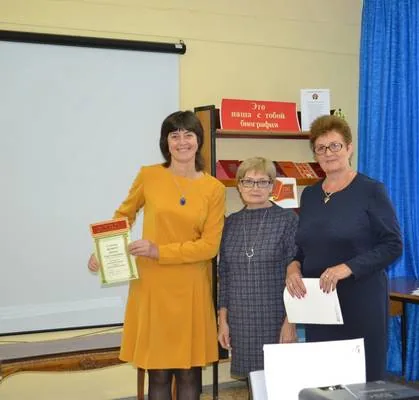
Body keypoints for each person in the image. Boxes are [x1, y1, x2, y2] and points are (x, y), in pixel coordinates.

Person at [88, 111, 225, 400]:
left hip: (191, 288)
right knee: (158, 373)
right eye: (174, 135)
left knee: (189, 373)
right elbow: (123, 216)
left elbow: (209, 247)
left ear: (199, 140)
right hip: (152, 287)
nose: (182, 141)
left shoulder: (214, 189)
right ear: (166, 142)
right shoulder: (148, 176)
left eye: (188, 134)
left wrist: (158, 250)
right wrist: (104, 249)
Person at [285, 115, 403, 382]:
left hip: (360, 302)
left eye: (335, 145)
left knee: (362, 382)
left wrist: (347, 268)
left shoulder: (371, 190)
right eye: (321, 148)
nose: (328, 153)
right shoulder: (310, 195)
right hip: (320, 305)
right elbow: (303, 248)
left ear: (349, 148)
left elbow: (393, 245)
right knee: (325, 382)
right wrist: (292, 267)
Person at [217, 157, 298, 379]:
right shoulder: (230, 223)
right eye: (248, 182)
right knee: (252, 382)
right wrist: (223, 321)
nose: (255, 188)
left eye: (262, 182)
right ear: (239, 186)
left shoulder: (287, 220)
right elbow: (224, 275)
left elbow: (296, 275)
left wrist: (291, 322)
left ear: (272, 186)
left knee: (277, 382)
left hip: (276, 317)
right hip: (240, 320)